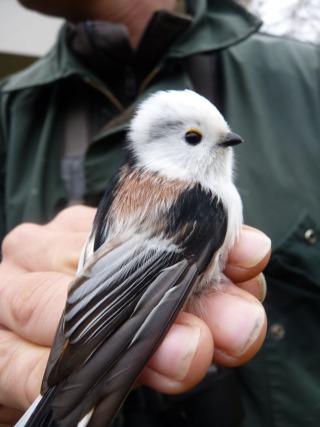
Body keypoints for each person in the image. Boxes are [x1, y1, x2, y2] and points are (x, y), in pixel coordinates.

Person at [0, 0, 319, 426]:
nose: (222, 146)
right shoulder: (201, 202)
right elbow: (138, 295)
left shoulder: (306, 80)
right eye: (193, 139)